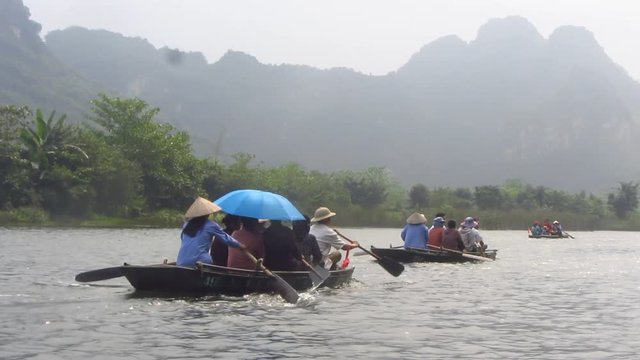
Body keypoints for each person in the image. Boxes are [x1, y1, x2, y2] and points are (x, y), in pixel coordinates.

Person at [176, 197, 244, 267]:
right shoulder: (211, 225)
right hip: (200, 261)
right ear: (207, 213)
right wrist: (240, 245)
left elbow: (183, 240)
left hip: (181, 262)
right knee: (209, 261)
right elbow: (226, 239)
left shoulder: (186, 225)